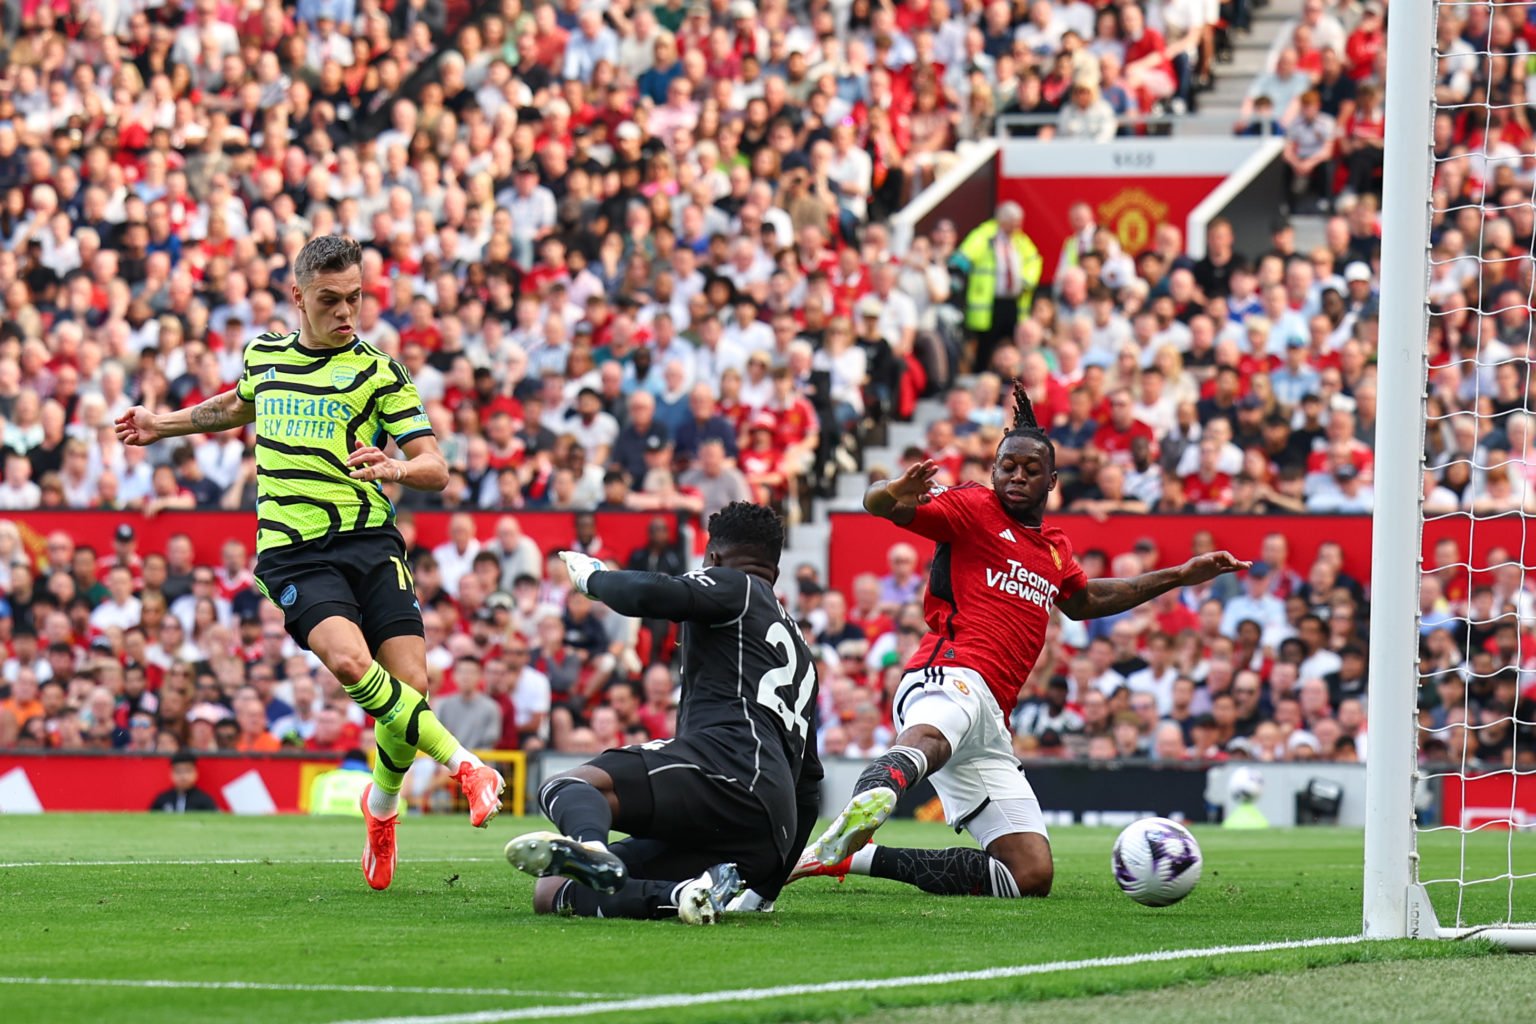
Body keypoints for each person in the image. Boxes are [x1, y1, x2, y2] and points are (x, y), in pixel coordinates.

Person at [114, 235, 503, 891]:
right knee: (352, 664)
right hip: (294, 552)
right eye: (330, 300)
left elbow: (435, 464)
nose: (347, 311)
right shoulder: (264, 355)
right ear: (298, 296)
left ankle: (380, 811)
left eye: (355, 297)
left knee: (411, 687)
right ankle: (467, 765)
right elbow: (236, 406)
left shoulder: (380, 371)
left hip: (371, 543)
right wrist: (162, 425)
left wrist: (397, 465)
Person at [799, 381, 1246, 898]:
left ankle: (844, 857)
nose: (1017, 476)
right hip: (949, 672)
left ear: (1052, 480)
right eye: (1008, 466)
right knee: (935, 734)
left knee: (1028, 875)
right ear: (993, 471)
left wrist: (1178, 575)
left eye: (1031, 469)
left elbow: (1086, 602)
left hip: (993, 721)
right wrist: (895, 488)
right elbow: (878, 504)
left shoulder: (1054, 549)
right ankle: (877, 792)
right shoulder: (971, 505)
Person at [504, 502, 822, 925]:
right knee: (551, 891)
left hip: (726, 770)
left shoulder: (737, 587)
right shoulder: (801, 651)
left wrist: (594, 579)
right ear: (776, 572)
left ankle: (591, 850)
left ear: (713, 559)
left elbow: (649, 592)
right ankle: (681, 895)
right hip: (766, 834)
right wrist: (768, 886)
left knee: (566, 785)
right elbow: (809, 785)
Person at [954, 202, 1042, 373]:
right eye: (1012, 222)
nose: (1016, 226)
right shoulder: (985, 236)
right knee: (987, 343)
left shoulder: (1020, 240)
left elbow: (1034, 260)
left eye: (1018, 222)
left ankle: (1014, 376)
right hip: (990, 301)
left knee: (1014, 341)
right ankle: (982, 373)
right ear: (1002, 220)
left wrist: (1026, 280)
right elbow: (963, 257)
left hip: (1014, 300)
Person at [149, 751, 219, 813]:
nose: (183, 776)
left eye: (187, 771)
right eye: (178, 771)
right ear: (171, 773)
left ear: (195, 773)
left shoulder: (204, 800)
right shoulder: (162, 799)